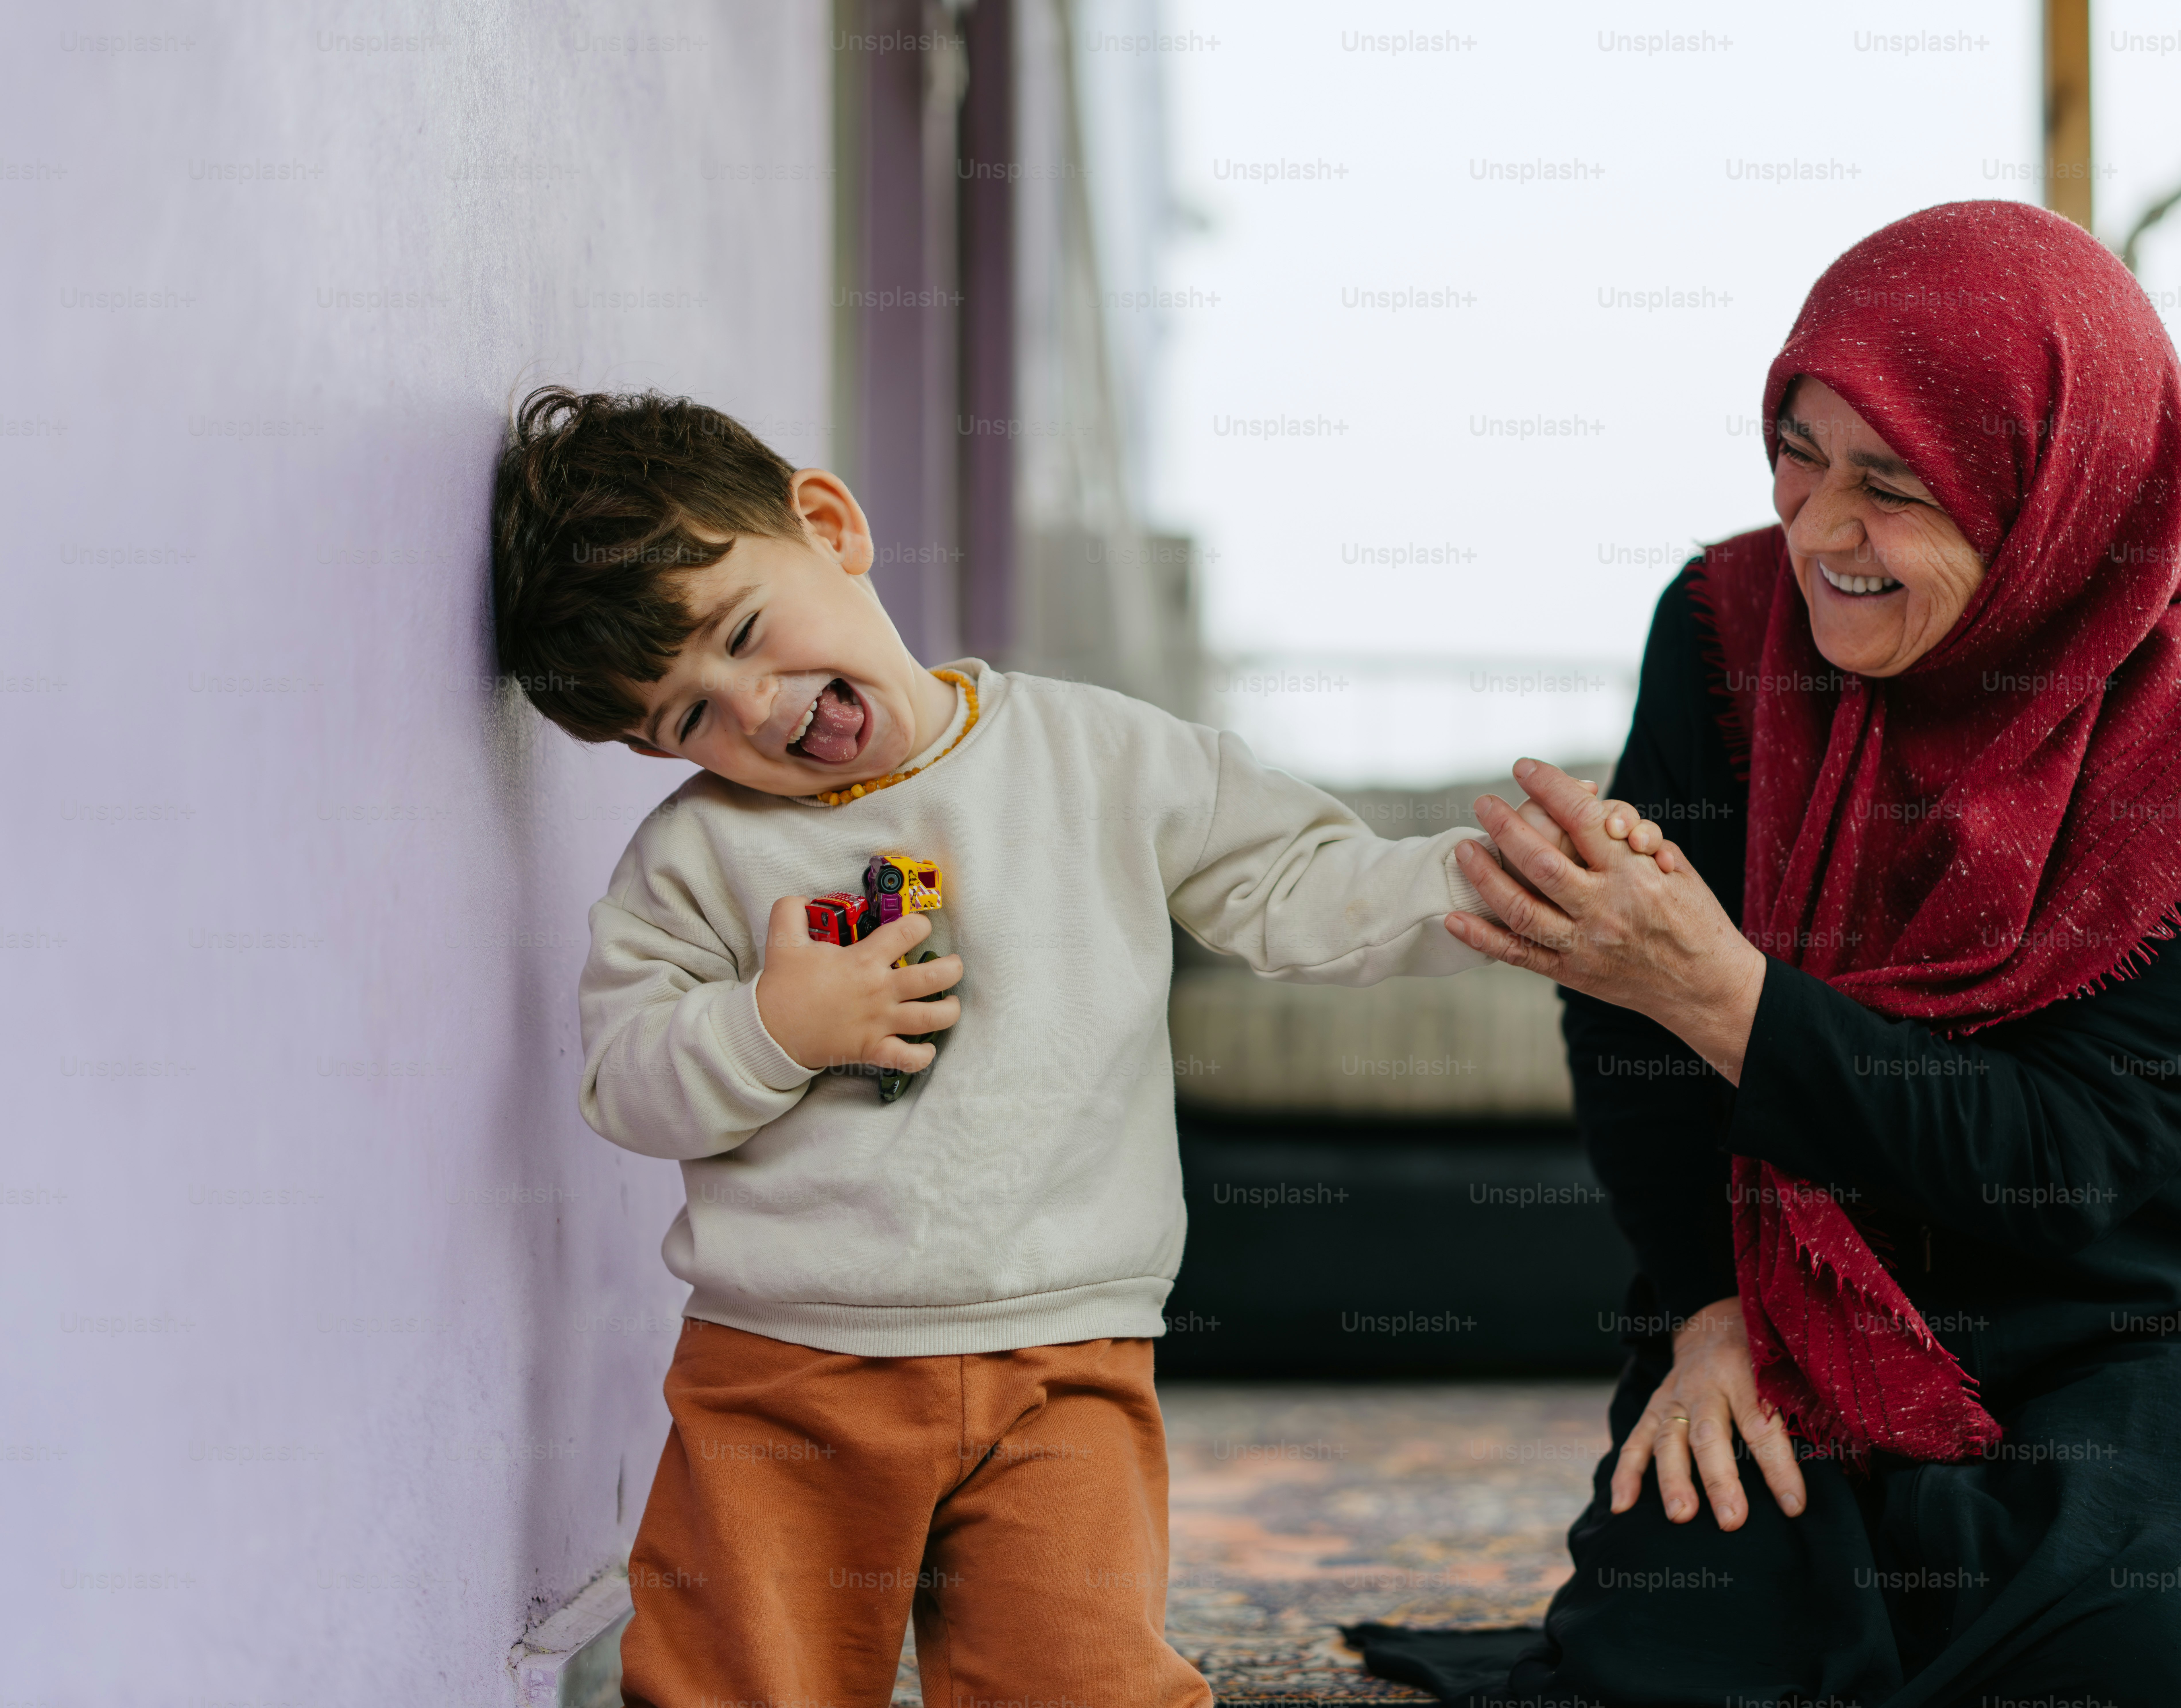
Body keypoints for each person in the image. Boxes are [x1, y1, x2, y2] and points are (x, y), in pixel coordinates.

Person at [1427, 202, 2181, 1705]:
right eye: (1797, 449)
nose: (1819, 529)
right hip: (1828, 1272)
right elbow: (1632, 1026)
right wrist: (1713, 1308)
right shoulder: (1724, 630)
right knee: (1670, 1648)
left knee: (2155, 1659)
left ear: (2044, 494)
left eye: (1889, 485)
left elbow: (2068, 1154)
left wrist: (1713, 985)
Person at [486, 389, 1636, 1707]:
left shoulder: (1100, 754)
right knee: (743, 1680)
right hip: (788, 1371)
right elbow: (622, 1078)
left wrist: (1485, 875)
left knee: (1082, 1678)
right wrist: (770, 1027)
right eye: (685, 717)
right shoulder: (692, 857)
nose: (751, 709)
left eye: (744, 635)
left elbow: (1301, 884)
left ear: (829, 524)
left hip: (1068, 1360)